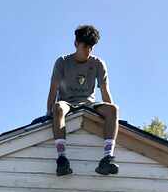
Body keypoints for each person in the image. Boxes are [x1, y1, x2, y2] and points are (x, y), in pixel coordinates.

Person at [46, 25, 119, 176]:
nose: (88, 50)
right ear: (76, 44)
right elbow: (53, 89)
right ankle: (62, 159)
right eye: (85, 46)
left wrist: (114, 116)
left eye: (91, 47)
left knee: (113, 109)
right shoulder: (63, 62)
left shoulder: (98, 64)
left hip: (89, 104)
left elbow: (105, 91)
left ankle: (107, 158)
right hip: (68, 103)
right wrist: (49, 112)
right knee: (58, 107)